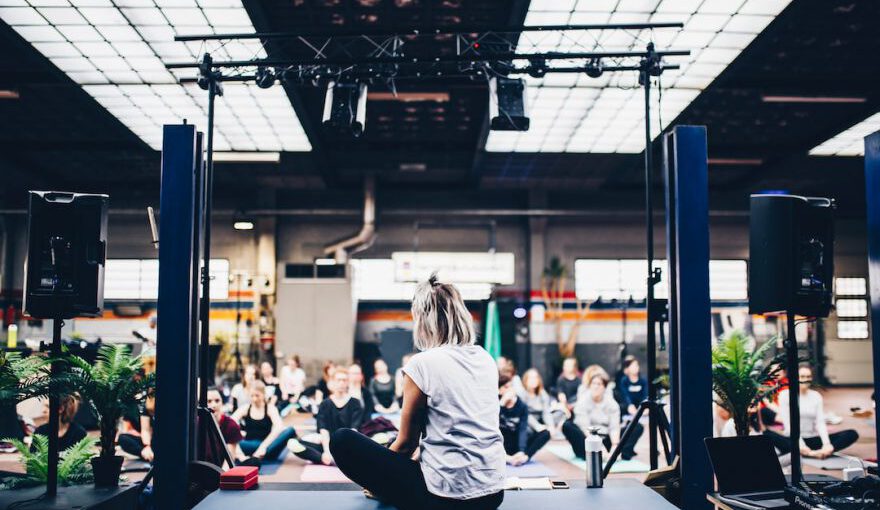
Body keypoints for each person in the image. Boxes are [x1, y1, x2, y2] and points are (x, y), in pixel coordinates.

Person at [329, 274, 505, 510]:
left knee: (342, 440)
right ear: (461, 316)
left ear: (423, 320)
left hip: (444, 498)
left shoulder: (421, 363)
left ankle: (383, 490)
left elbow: (406, 444)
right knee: (392, 442)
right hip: (493, 493)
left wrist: (379, 478)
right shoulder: (485, 359)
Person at [764, 366, 859, 458]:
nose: (805, 379)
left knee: (852, 433)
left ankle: (822, 452)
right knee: (766, 434)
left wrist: (827, 445)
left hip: (811, 439)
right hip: (792, 440)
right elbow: (789, 425)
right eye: (802, 376)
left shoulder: (816, 396)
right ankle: (809, 453)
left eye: (808, 377)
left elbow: (820, 422)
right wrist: (801, 446)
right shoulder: (785, 395)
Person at [288, 367, 364, 465]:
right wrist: (327, 451)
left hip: (349, 444)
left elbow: (354, 430)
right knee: (294, 443)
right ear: (333, 382)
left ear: (348, 382)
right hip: (329, 445)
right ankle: (324, 458)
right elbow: (324, 430)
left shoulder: (355, 403)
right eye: (338, 380)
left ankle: (336, 458)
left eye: (344, 380)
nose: (341, 383)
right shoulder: (325, 404)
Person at [562, 372, 643, 460]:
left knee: (636, 426)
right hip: (588, 440)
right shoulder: (582, 402)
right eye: (593, 384)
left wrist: (615, 446)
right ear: (590, 386)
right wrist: (600, 448)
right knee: (567, 426)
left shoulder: (611, 403)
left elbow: (614, 427)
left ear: (604, 387)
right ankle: (594, 455)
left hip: (606, 438)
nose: (596, 387)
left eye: (599, 384)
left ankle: (618, 453)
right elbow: (585, 427)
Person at [231, 380, 297, 463]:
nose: (254, 399)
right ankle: (253, 457)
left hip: (268, 445)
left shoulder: (270, 408)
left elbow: (278, 427)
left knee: (290, 430)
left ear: (263, 394)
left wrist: (263, 447)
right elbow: (230, 423)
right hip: (249, 444)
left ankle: (257, 456)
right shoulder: (246, 408)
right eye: (252, 396)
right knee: (233, 443)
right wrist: (238, 433)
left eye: (257, 395)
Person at [499, 372, 550, 466]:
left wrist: (521, 451)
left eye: (511, 387)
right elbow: (491, 426)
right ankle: (508, 459)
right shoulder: (496, 404)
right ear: (499, 391)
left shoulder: (521, 406)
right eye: (506, 387)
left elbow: (522, 430)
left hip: (516, 445)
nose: (510, 390)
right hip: (500, 446)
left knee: (545, 433)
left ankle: (523, 458)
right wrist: (501, 404)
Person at [521, 368, 565, 436]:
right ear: (525, 380)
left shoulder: (542, 393)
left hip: (540, 418)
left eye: (536, 378)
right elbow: (525, 414)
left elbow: (546, 412)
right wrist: (537, 426)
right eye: (531, 378)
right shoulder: (522, 394)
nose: (534, 380)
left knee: (560, 413)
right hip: (527, 421)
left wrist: (551, 426)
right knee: (527, 429)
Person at [205, 387, 243, 464]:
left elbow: (229, 460)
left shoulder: (231, 425)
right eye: (209, 401)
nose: (214, 405)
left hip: (221, 471)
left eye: (217, 401)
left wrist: (222, 475)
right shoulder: (195, 424)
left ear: (222, 402)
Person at [119, 396, 155, 462]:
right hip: (152, 442)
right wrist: (147, 446)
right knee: (123, 438)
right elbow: (145, 430)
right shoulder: (147, 407)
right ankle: (147, 454)